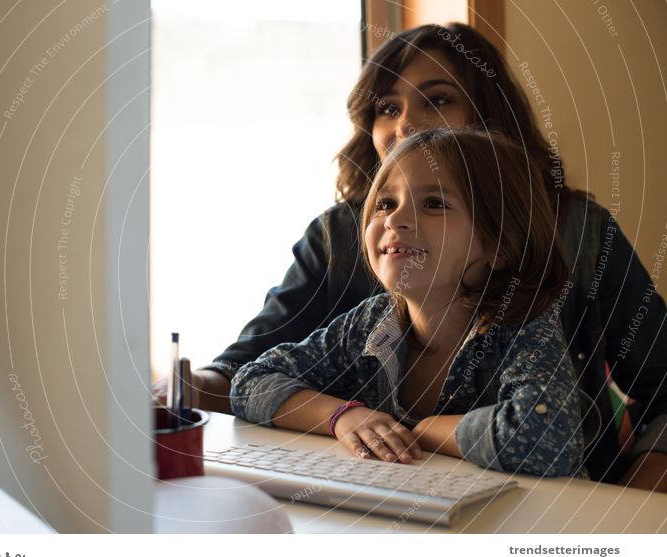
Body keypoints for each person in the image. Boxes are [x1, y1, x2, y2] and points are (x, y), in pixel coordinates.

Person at [159, 23, 667, 489]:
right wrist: (182, 388)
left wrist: (634, 509)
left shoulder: (556, 270)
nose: (407, 125)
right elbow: (247, 371)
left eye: (438, 100)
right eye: (387, 107)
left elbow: (596, 414)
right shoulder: (352, 265)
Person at [231, 128, 585, 477]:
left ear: (500, 245)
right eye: (385, 203)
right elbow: (250, 383)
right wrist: (343, 416)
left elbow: (545, 441)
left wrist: (424, 429)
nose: (395, 220)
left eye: (434, 204)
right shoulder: (368, 324)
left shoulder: (524, 328)